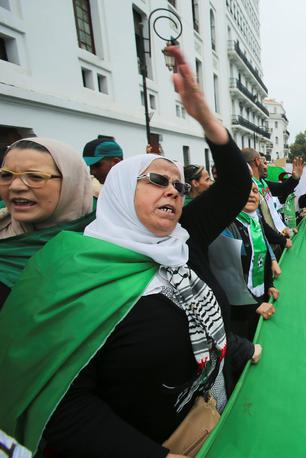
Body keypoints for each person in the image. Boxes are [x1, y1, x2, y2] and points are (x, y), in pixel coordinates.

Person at [0, 45, 258, 457]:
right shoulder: (76, 268)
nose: (174, 189)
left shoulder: (180, 240)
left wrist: (204, 117)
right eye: (157, 180)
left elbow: (233, 186)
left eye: (180, 185)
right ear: (119, 192)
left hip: (214, 418)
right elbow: (65, 404)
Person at [0, 138, 94, 307]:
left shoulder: (109, 240)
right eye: (6, 175)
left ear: (71, 182)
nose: (15, 186)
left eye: (35, 177)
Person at [209, 182, 278, 341]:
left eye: (254, 191)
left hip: (258, 298)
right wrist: (254, 306)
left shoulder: (255, 221)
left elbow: (264, 255)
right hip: (239, 310)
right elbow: (226, 273)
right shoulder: (226, 224)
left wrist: (269, 285)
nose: (251, 195)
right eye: (245, 190)